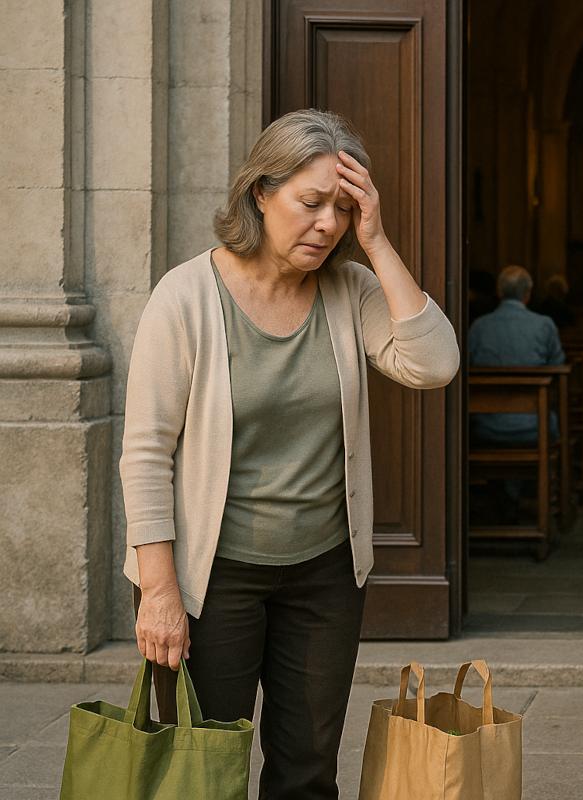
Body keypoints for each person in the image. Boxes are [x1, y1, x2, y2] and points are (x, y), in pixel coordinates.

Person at [121, 109, 459, 797]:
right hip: (211, 579)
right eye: (311, 203)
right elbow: (146, 452)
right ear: (260, 194)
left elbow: (435, 364)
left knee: (306, 772)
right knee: (202, 772)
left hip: (324, 576)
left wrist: (380, 242)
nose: (328, 224)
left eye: (342, 208)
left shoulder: (349, 289)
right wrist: (159, 593)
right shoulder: (185, 297)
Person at [467, 265, 565, 444]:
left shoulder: (479, 327)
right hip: (536, 423)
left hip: (486, 424)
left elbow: (466, 364)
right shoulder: (544, 325)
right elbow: (558, 366)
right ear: (528, 293)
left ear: (499, 291)